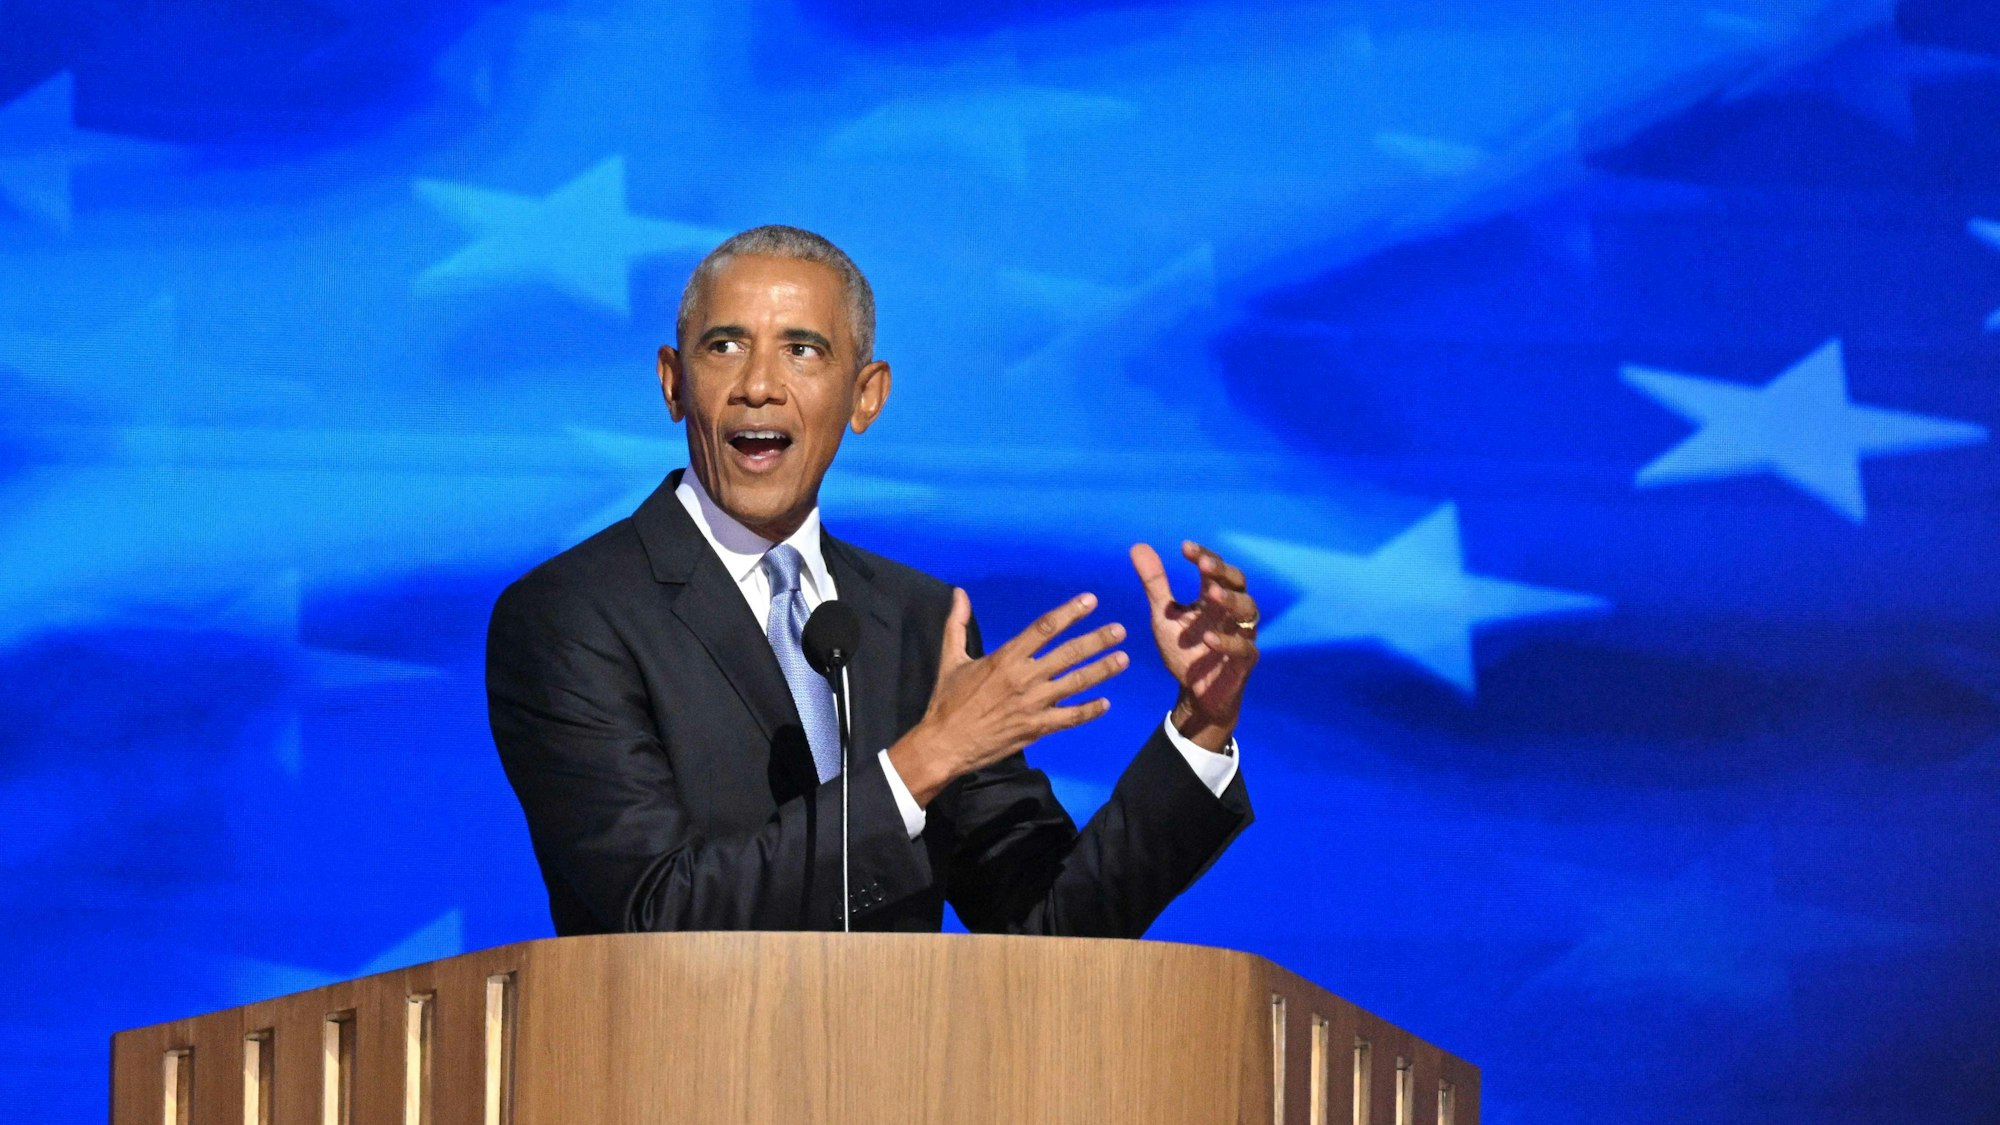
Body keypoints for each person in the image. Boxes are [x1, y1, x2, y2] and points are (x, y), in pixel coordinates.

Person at [487, 225, 1259, 935]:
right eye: (724, 346)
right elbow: (659, 908)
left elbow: (1048, 929)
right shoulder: (570, 614)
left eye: (803, 351)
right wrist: (920, 763)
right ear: (673, 382)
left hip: (904, 1078)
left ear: (866, 396)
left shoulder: (920, 622)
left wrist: (1200, 726)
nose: (760, 384)